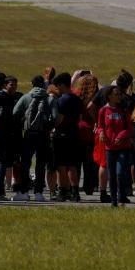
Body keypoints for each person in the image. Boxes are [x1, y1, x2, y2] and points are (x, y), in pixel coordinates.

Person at [96, 86, 134, 207]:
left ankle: (121, 195)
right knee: (111, 174)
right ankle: (113, 200)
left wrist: (121, 136)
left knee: (119, 172)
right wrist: (101, 132)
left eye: (119, 94)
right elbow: (100, 126)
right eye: (116, 94)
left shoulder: (123, 110)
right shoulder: (103, 110)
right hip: (109, 147)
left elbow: (130, 128)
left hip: (123, 146)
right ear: (109, 96)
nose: (119, 96)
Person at [51, 72, 82, 202]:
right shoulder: (77, 99)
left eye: (58, 86)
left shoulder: (62, 100)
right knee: (73, 165)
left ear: (62, 85)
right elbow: (79, 117)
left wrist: (53, 127)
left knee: (61, 165)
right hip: (74, 133)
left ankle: (63, 191)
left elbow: (59, 119)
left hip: (62, 135)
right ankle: (75, 192)